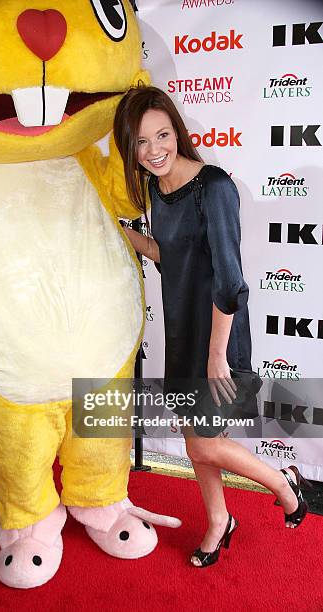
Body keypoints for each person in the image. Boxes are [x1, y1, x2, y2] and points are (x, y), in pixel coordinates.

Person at [113, 85, 310, 568]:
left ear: (177, 133)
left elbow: (231, 283)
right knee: (194, 439)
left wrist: (216, 355)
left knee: (204, 442)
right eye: (141, 142)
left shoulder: (214, 187)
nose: (155, 150)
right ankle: (219, 521)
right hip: (182, 334)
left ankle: (286, 484)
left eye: (162, 136)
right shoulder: (158, 190)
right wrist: (119, 231)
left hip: (217, 339)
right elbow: (168, 255)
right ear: (130, 148)